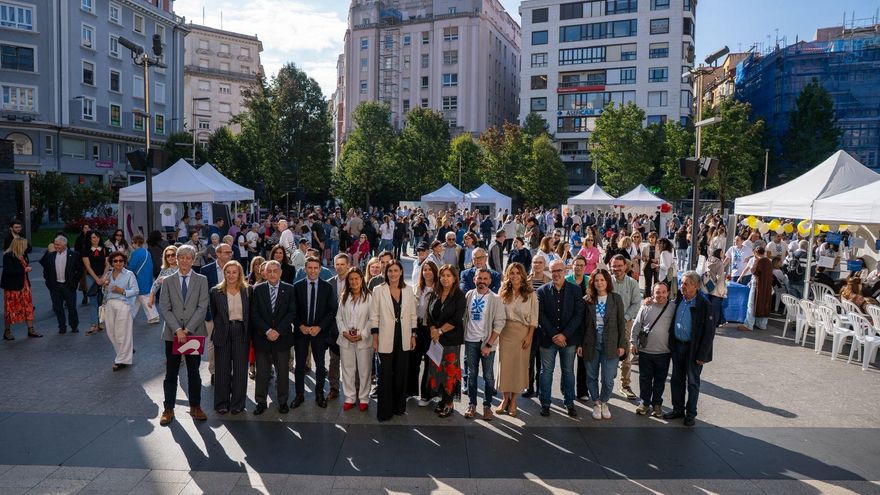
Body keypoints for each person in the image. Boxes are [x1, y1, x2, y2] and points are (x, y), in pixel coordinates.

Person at [157, 244, 210, 426]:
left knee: (194, 372)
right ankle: (168, 408)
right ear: (176, 259)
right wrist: (178, 330)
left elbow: (202, 307)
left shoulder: (202, 280)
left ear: (193, 259)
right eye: (182, 257)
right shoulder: (168, 280)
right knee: (171, 373)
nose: (185, 261)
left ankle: (195, 406)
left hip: (194, 334)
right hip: (172, 335)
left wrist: (187, 330)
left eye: (189, 258)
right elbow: (164, 307)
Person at [662, 271, 716, 427]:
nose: (681, 286)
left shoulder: (704, 305)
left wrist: (702, 355)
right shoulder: (679, 299)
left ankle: (690, 414)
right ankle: (678, 409)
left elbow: (709, 333)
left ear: (696, 286)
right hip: (678, 347)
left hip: (694, 351)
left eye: (685, 284)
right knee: (676, 380)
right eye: (681, 283)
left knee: (692, 383)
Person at [536, 259, 585, 418]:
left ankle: (569, 402)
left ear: (565, 271)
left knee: (568, 372)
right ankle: (545, 403)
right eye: (553, 271)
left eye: (559, 270)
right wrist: (554, 335)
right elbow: (540, 316)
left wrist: (564, 335)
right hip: (547, 339)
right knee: (546, 372)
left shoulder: (576, 290)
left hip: (568, 340)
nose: (556, 274)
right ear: (549, 272)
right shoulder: (542, 291)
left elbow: (579, 315)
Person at [370, 260, 418, 421]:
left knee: (400, 374)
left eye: (396, 270)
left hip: (403, 337)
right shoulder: (378, 290)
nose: (393, 274)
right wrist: (375, 338)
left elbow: (412, 315)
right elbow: (374, 315)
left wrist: (413, 335)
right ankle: (385, 411)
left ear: (401, 272)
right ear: (386, 272)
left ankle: (399, 408)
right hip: (384, 338)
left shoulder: (409, 290)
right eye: (390, 271)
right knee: (384, 375)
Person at [579, 268, 625, 420]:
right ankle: (596, 403)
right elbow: (581, 325)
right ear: (592, 282)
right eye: (596, 280)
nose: (599, 283)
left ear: (607, 282)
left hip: (610, 343)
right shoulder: (587, 300)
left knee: (608, 378)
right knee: (591, 376)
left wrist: (622, 345)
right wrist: (580, 344)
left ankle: (605, 401)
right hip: (590, 343)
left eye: (602, 280)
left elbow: (620, 323)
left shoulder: (616, 299)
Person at [251, 260, 296, 415]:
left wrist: (277, 330)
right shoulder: (257, 289)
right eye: (268, 271)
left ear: (280, 272)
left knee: (283, 372)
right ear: (264, 272)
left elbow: (291, 312)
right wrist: (267, 330)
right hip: (262, 338)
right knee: (262, 372)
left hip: (282, 338)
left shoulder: (289, 289)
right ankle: (261, 402)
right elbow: (254, 313)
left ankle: (282, 401)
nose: (272, 274)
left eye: (275, 271)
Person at [292, 257, 338, 409]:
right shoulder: (297, 287)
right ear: (305, 269)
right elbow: (293, 310)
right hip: (301, 332)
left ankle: (319, 394)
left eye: (315, 268)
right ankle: (299, 395)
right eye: (309, 268)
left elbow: (332, 310)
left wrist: (320, 327)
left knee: (320, 366)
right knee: (299, 366)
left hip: (319, 333)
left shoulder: (327, 287)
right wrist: (300, 325)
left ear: (320, 269)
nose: (312, 270)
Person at [462, 268, 506, 421]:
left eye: (485, 279)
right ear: (474, 279)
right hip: (470, 341)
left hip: (487, 343)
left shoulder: (496, 299)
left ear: (490, 281)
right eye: (479, 278)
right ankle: (472, 404)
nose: (482, 281)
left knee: (488, 376)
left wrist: (489, 344)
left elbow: (499, 323)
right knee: (472, 375)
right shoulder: (469, 295)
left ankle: (487, 406)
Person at [496, 262, 538, 417]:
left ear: (522, 275)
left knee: (519, 368)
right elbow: (498, 313)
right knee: (505, 367)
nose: (514, 276)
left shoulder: (531, 293)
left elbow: (534, 318)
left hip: (522, 333)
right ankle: (504, 399)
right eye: (512, 273)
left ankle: (514, 401)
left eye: (517, 273)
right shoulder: (503, 291)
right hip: (505, 332)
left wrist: (529, 335)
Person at [209, 260, 251, 415]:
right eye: (228, 272)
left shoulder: (248, 291)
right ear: (224, 273)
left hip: (241, 331)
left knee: (240, 370)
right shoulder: (215, 291)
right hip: (222, 332)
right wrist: (220, 327)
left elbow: (250, 313)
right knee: (222, 369)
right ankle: (221, 403)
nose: (231, 275)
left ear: (239, 273)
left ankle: (238, 404)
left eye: (235, 272)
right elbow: (214, 313)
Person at [426, 264, 466, 418]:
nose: (445, 278)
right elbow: (429, 315)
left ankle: (449, 402)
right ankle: (443, 399)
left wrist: (440, 331)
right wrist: (433, 330)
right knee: (438, 371)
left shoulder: (459, 295)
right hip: (436, 339)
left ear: (455, 278)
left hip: (450, 339)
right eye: (443, 275)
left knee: (450, 371)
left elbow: (456, 319)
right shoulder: (435, 293)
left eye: (449, 275)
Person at [631, 283, 675, 417]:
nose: (660, 295)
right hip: (645, 351)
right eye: (657, 292)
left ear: (667, 293)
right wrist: (633, 342)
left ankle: (657, 404)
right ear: (652, 293)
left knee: (660, 380)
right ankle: (644, 403)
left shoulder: (673, 307)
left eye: (663, 292)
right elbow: (636, 326)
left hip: (664, 352)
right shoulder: (646, 306)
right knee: (645, 379)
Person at [336, 267, 373, 411]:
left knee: (364, 370)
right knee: (347, 369)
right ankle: (349, 397)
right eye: (351, 279)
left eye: (356, 278)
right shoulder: (344, 296)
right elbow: (338, 317)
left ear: (361, 279)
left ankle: (364, 398)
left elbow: (372, 319)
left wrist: (362, 334)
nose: (354, 281)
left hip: (363, 339)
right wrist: (344, 332)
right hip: (346, 338)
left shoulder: (369, 296)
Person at [200, 243, 234, 385]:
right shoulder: (206, 270)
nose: (229, 254)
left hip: (232, 312)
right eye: (226, 252)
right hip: (212, 314)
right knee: (213, 343)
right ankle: (214, 372)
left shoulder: (234, 268)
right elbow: (202, 293)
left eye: (230, 252)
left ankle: (229, 372)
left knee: (231, 342)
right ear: (218, 254)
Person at [608, 255, 641, 401]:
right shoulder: (607, 281)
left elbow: (636, 304)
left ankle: (625, 385)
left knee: (625, 353)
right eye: (614, 266)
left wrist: (625, 317)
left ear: (625, 266)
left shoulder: (632, 283)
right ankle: (607, 382)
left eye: (619, 266)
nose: (617, 269)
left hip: (626, 322)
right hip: (608, 322)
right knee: (608, 352)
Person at [102, 251, 138, 371]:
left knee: (122, 333)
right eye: (115, 261)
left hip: (123, 304)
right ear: (111, 263)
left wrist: (122, 291)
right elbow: (104, 292)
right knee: (111, 332)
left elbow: (135, 290)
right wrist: (105, 286)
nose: (118, 263)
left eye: (121, 261)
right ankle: (124, 353)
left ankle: (122, 359)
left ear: (124, 262)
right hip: (109, 304)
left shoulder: (129, 274)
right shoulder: (108, 274)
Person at [40, 236, 84, 334]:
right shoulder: (50, 256)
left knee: (72, 307)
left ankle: (74, 326)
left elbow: (80, 270)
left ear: (64, 244)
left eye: (58, 244)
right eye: (55, 244)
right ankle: (61, 326)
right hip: (55, 286)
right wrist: (49, 283)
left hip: (69, 286)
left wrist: (74, 282)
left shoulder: (74, 255)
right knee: (58, 308)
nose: (56, 246)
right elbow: (45, 271)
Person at [410, 260, 438, 406]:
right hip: (416, 329)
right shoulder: (416, 288)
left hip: (430, 329)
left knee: (429, 363)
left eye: (430, 269)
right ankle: (410, 391)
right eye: (424, 269)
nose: (427, 272)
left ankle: (426, 395)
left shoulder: (438, 290)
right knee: (413, 361)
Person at [326, 253, 352, 401]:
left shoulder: (355, 281)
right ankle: (334, 388)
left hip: (351, 329)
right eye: (337, 264)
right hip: (334, 331)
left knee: (351, 362)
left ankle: (353, 390)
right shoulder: (329, 283)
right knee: (334, 361)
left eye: (342, 264)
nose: (339, 267)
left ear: (348, 265)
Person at [523, 254, 549, 398]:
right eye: (535, 262)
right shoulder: (525, 281)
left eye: (540, 262)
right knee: (529, 359)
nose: (537, 265)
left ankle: (540, 388)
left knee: (542, 360)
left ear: (544, 265)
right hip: (527, 325)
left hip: (543, 326)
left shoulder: (549, 281)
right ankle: (529, 387)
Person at [2, 238, 40, 340]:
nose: (26, 247)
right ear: (18, 246)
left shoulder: (22, 255)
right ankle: (7, 331)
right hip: (13, 287)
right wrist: (24, 270)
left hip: (25, 285)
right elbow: (9, 271)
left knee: (28, 307)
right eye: (24, 245)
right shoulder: (8, 256)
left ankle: (31, 329)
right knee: (11, 310)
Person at [738, 247, 773, 332]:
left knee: (752, 304)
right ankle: (762, 324)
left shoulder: (759, 261)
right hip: (767, 286)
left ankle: (749, 325)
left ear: (756, 253)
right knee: (764, 304)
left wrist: (756, 262)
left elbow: (754, 271)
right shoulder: (768, 261)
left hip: (757, 285)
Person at [126, 235, 158, 324]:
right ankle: (129, 316)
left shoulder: (136, 253)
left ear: (135, 242)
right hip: (147, 277)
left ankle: (154, 316)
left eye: (132, 242)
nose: (132, 244)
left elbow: (131, 267)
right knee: (137, 298)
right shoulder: (147, 252)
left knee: (143, 297)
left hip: (138, 278)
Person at [82, 231, 109, 335]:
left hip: (103, 277)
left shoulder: (105, 250)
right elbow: (88, 267)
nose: (95, 239)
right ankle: (93, 324)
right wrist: (96, 279)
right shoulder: (85, 251)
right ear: (89, 239)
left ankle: (101, 322)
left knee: (102, 301)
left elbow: (107, 265)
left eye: (97, 237)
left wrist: (102, 277)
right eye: (93, 237)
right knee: (93, 301)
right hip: (91, 278)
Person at [703, 248, 728, 325]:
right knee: (716, 307)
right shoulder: (719, 263)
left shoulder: (708, 260)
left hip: (708, 285)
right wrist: (722, 291)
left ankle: (722, 320)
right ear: (719, 253)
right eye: (722, 252)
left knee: (713, 305)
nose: (723, 254)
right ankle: (715, 323)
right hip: (716, 288)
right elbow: (720, 277)